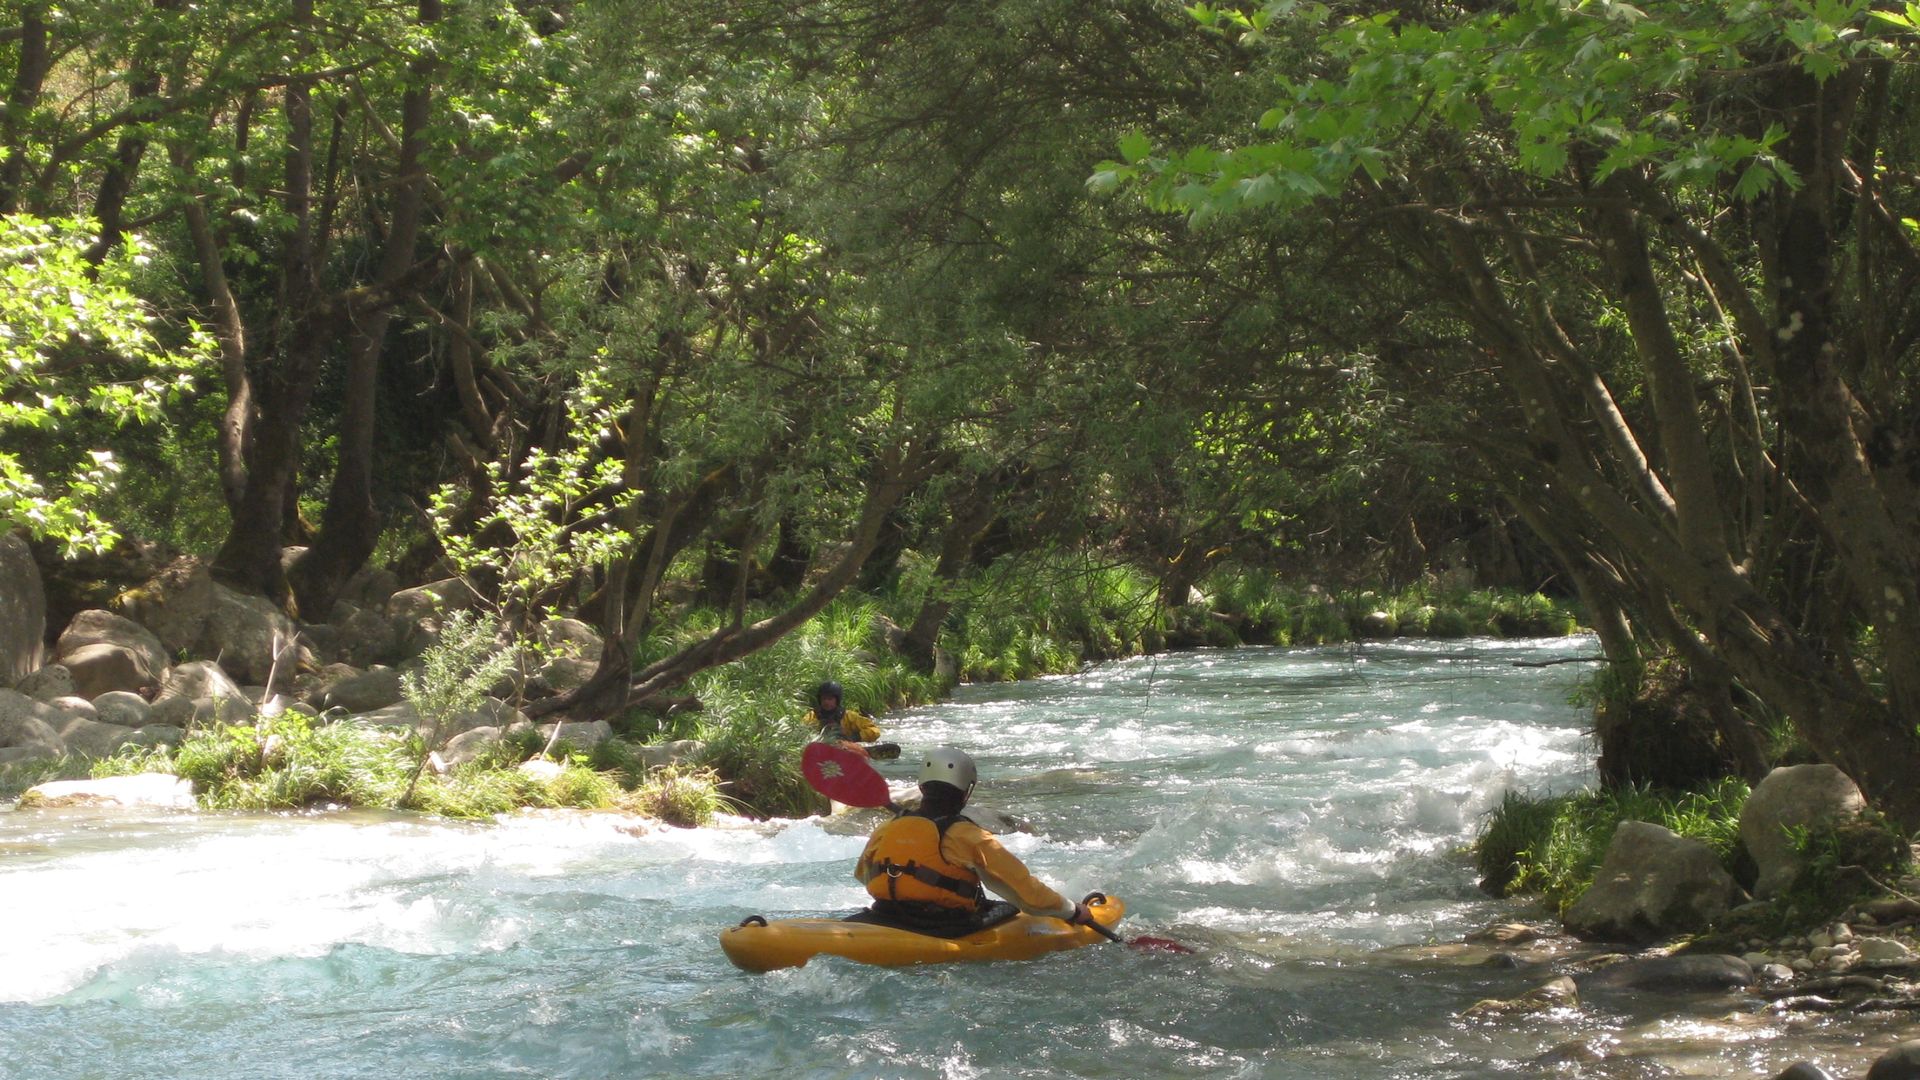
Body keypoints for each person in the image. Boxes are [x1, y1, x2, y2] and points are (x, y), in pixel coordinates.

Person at [851, 746, 1091, 935]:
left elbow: (863, 875)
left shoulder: (888, 827)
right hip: (941, 925)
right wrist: (1072, 911)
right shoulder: (969, 836)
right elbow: (1028, 893)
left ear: (922, 787)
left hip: (884, 914)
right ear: (967, 792)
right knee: (1006, 908)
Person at [804, 680, 881, 749]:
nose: (826, 702)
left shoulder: (849, 716)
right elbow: (802, 729)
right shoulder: (812, 716)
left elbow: (875, 731)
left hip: (845, 749)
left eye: (830, 699)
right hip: (821, 748)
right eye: (824, 699)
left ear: (837, 700)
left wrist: (857, 737)